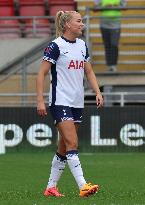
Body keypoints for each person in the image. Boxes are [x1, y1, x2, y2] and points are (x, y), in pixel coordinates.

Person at [36, 10, 103, 197]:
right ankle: (83, 185)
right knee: (72, 142)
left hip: (76, 102)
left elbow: (88, 71)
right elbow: (41, 73)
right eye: (79, 21)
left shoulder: (82, 45)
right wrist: (40, 100)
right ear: (67, 25)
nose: (82, 24)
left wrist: (97, 91)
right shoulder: (55, 46)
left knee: (64, 146)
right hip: (60, 101)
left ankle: (51, 187)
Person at [94, 0, 127, 71]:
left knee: (114, 45)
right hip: (104, 25)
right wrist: (105, 7)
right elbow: (95, 9)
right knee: (107, 45)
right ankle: (109, 66)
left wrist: (114, 6)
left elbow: (124, 7)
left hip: (116, 25)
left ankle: (113, 65)